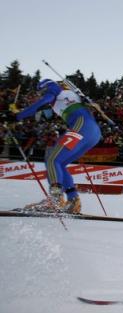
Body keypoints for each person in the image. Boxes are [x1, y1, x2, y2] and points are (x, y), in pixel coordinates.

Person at [15, 79, 102, 214]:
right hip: (92, 132)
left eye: (41, 91)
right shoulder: (68, 95)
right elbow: (45, 107)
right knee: (59, 163)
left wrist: (17, 116)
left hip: (82, 126)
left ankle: (55, 200)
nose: (41, 95)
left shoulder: (54, 88)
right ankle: (73, 201)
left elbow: (42, 102)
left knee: (52, 160)